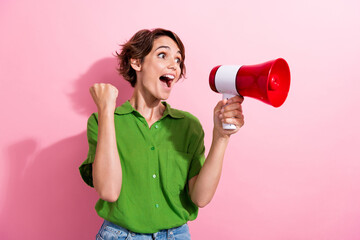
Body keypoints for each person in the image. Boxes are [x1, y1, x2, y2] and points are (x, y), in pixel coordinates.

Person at [79, 28, 244, 240]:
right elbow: (109, 191)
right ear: (136, 62)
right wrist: (106, 110)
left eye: (178, 60)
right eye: (162, 55)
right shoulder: (102, 121)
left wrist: (221, 136)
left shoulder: (188, 126)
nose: (173, 66)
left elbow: (200, 198)